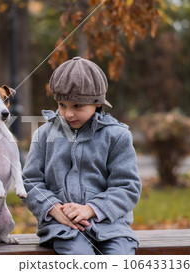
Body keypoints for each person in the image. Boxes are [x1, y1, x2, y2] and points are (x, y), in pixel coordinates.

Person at [22, 56, 142, 255]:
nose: (68, 114)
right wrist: (54, 209)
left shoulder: (117, 136)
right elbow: (30, 181)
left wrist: (91, 209)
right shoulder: (44, 134)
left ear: (97, 103)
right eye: (62, 105)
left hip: (111, 227)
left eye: (77, 106)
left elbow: (127, 187)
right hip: (64, 228)